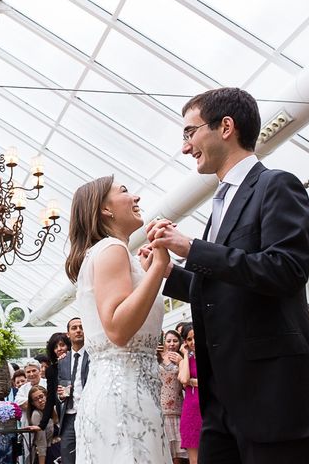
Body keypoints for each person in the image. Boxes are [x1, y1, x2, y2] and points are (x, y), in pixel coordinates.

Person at [145, 87, 309, 463]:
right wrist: (170, 270)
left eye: (189, 132)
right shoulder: (220, 204)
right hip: (223, 403)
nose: (186, 147)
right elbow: (223, 289)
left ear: (226, 127)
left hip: (277, 398)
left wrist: (192, 248)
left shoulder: (277, 186)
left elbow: (285, 270)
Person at [64, 176, 170, 463]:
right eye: (124, 191)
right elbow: (118, 329)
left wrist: (151, 274)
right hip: (124, 400)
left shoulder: (114, 253)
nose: (135, 198)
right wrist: (159, 268)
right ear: (105, 210)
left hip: (128, 394)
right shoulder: (112, 249)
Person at [54, 320, 87, 464]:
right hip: (68, 416)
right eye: (74, 328)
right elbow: (61, 387)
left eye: (81, 327)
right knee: (68, 457)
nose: (78, 330)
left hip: (88, 413)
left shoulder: (94, 356)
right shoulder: (63, 360)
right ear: (68, 334)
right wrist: (60, 395)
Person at [158, 330, 188, 464]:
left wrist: (181, 361)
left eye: (175, 341)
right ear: (164, 341)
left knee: (178, 457)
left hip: (178, 410)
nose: (171, 344)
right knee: (164, 454)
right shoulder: (157, 356)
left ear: (180, 342)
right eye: (168, 341)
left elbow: (185, 381)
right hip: (161, 410)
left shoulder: (182, 359)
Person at [177, 325, 200, 464]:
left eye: (195, 337)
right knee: (194, 460)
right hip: (191, 412)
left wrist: (192, 382)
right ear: (185, 342)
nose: (193, 342)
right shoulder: (185, 361)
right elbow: (184, 379)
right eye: (189, 339)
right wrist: (185, 355)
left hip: (209, 409)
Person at [28, 385, 56, 464]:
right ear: (33, 403)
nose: (40, 400)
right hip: (48, 455)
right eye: (36, 399)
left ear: (47, 396)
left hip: (60, 451)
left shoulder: (54, 410)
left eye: (41, 396)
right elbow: (41, 443)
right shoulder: (36, 414)